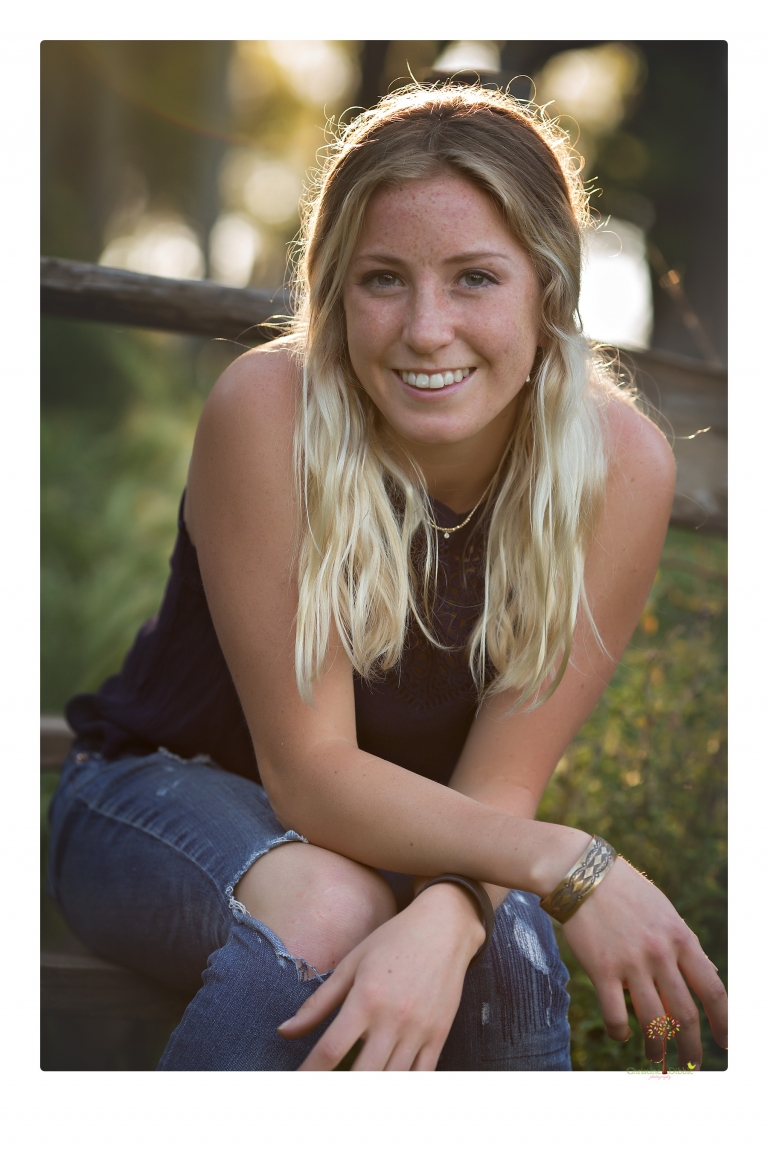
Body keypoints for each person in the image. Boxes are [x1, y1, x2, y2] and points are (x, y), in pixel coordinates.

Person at [48, 85, 728, 1072]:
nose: (424, 328)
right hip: (155, 795)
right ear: (332, 290)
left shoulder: (618, 465)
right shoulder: (271, 409)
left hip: (409, 838)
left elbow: (501, 785)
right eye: (382, 280)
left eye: (475, 279)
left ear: (549, 289)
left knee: (512, 951)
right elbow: (312, 774)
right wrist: (580, 866)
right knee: (333, 913)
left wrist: (451, 917)